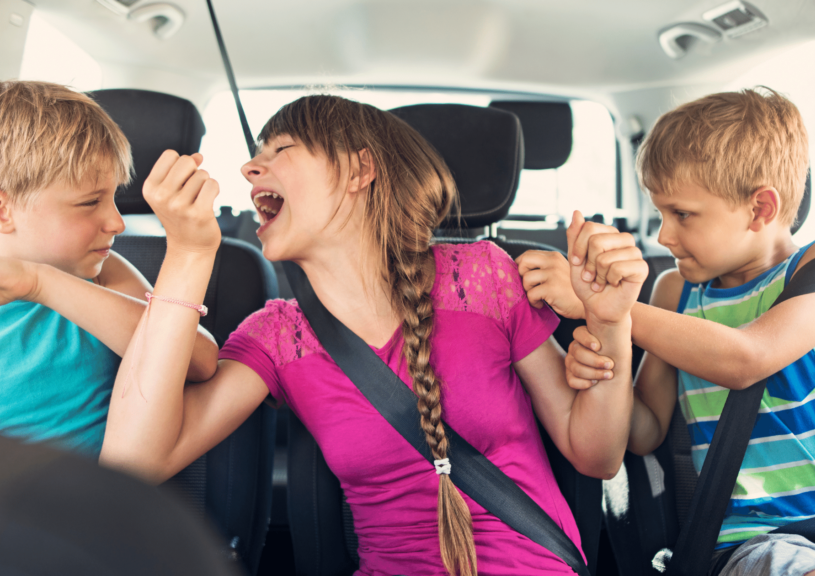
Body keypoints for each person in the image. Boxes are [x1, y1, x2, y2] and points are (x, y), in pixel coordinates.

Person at [99, 95, 646, 576]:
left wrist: (611, 321)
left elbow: (594, 455)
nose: (248, 167)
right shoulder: (277, 336)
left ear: (360, 170)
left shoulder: (481, 276)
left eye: (280, 148)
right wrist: (191, 254)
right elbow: (133, 464)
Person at [516, 88, 815, 576]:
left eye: (682, 214)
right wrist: (607, 356)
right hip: (759, 543)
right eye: (661, 213)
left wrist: (609, 310)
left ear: (760, 209)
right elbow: (646, 432)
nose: (663, 236)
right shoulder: (675, 294)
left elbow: (747, 358)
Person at [0, 80, 218, 457]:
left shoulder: (103, 273)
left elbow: (199, 361)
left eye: (113, 197)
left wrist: (44, 285)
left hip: (92, 502)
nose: (117, 223)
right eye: (89, 203)